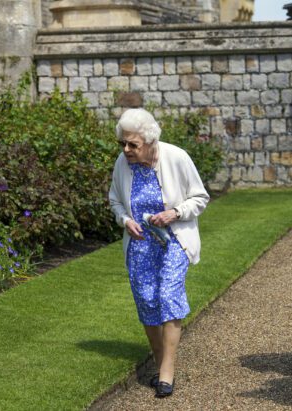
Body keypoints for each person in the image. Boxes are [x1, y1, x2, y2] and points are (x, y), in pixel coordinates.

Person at [108, 108, 209, 398]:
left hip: (174, 240)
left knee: (167, 295)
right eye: (123, 144)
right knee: (147, 300)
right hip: (140, 244)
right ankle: (159, 357)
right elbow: (114, 200)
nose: (126, 149)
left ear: (150, 142)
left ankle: (167, 372)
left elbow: (200, 197)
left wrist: (175, 213)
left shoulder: (176, 157)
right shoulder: (122, 163)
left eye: (132, 145)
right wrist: (125, 220)